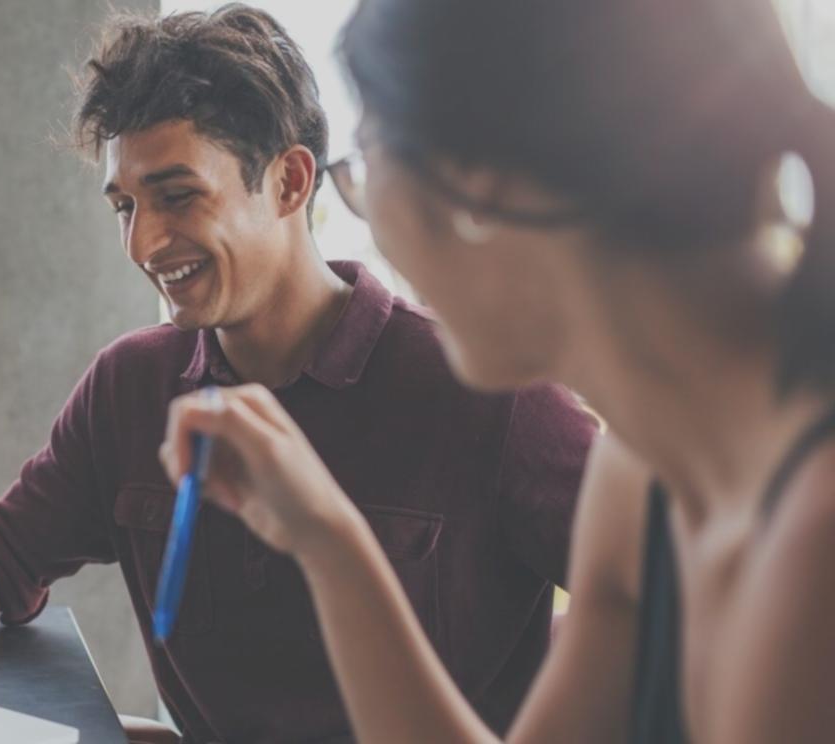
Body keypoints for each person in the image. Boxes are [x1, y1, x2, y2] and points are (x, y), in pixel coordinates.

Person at [0, 7, 596, 741]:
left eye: (178, 196)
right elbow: (0, 556)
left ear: (291, 182)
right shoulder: (131, 387)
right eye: (124, 206)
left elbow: (667, 615)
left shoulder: (489, 394)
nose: (144, 243)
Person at [161, 0, 835, 741]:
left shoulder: (812, 540)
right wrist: (327, 540)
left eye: (362, 169)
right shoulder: (640, 468)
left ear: (484, 191)